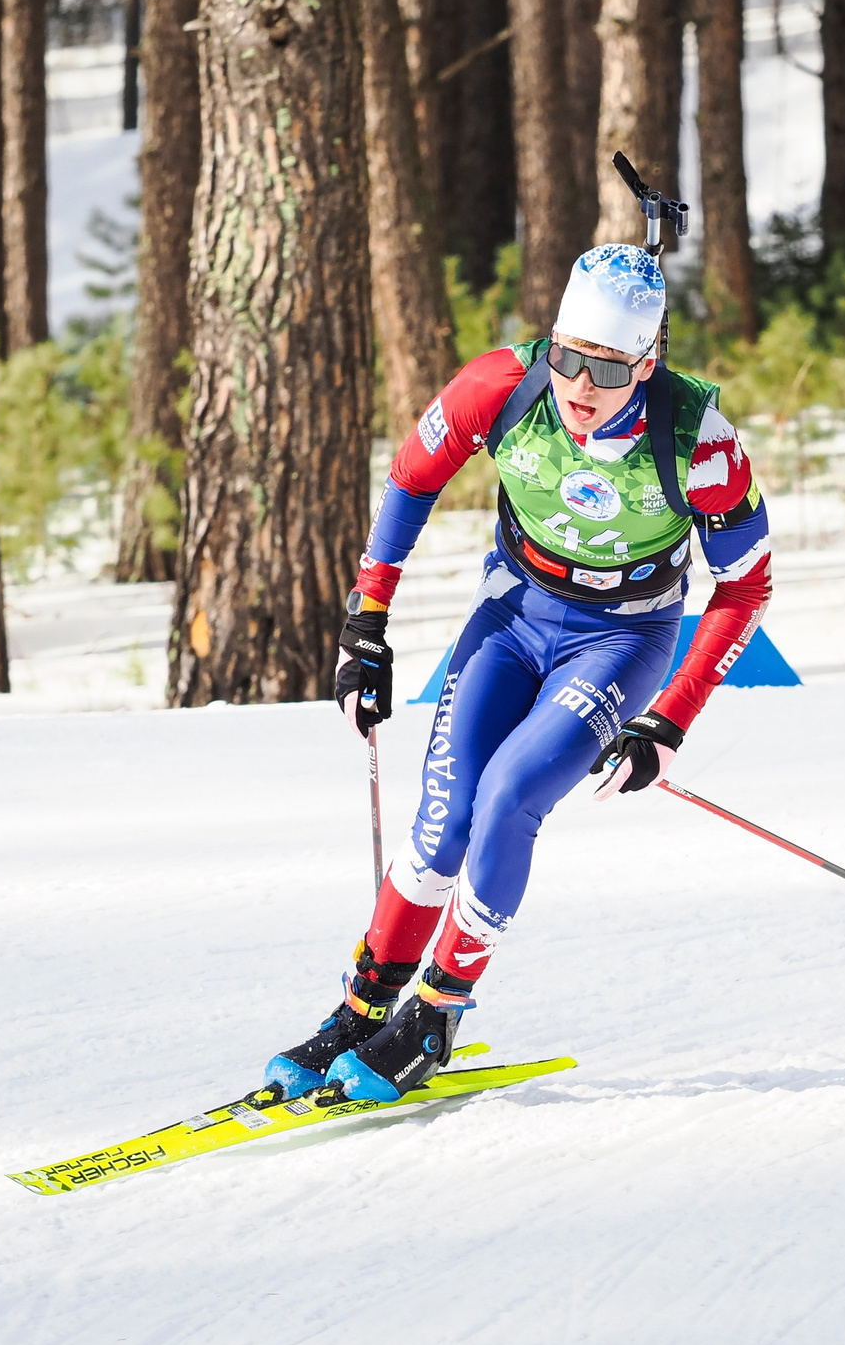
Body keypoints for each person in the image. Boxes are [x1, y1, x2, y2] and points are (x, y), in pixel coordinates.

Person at [262, 243, 775, 1103]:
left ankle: (435, 1011)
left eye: (607, 369)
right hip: (512, 616)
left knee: (508, 796)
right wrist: (367, 620)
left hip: (620, 639)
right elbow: (409, 479)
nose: (579, 385)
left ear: (647, 364)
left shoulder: (699, 441)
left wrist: (671, 720)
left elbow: (746, 584)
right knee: (443, 820)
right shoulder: (502, 386)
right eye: (567, 355)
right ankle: (363, 1007)